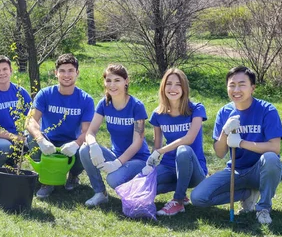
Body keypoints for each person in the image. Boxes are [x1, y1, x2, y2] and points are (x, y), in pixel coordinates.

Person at [191, 66, 282, 224]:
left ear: (252, 88)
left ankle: (263, 208)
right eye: (232, 85)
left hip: (261, 170)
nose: (236, 89)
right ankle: (246, 194)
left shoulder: (267, 110)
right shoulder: (224, 112)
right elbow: (220, 153)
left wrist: (241, 143)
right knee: (198, 198)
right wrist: (225, 132)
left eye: (242, 84)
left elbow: (274, 148)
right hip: (236, 170)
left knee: (271, 158)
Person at [78, 64, 150, 207]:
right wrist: (93, 145)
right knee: (84, 150)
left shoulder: (137, 106)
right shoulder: (104, 104)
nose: (112, 85)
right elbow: (91, 132)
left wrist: (117, 163)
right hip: (115, 155)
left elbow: (138, 142)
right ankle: (100, 193)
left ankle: (136, 190)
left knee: (113, 179)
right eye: (108, 80)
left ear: (126, 81)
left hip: (138, 160)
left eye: (117, 80)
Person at [26, 53, 94, 199]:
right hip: (48, 140)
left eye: (70, 70)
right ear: (56, 73)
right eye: (62, 71)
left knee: (87, 147)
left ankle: (73, 175)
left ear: (77, 73)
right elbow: (30, 121)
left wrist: (76, 143)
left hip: (71, 142)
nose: (66, 75)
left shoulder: (86, 99)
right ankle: (46, 180)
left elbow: (87, 131)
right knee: (30, 138)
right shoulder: (45, 94)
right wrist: (40, 139)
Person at [146, 68, 208, 216]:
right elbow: (157, 146)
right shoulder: (158, 114)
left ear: (184, 88)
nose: (173, 88)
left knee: (183, 150)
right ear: (163, 87)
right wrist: (150, 165)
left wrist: (160, 151)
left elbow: (189, 139)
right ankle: (181, 189)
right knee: (147, 185)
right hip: (169, 166)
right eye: (169, 84)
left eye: (178, 84)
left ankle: (178, 200)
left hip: (194, 169)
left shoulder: (196, 109)